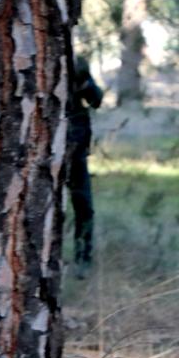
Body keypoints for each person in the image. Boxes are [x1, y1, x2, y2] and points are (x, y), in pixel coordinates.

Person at [67, 56, 104, 278]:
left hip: (76, 147)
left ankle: (82, 260)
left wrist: (83, 84)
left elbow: (96, 99)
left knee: (84, 207)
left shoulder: (77, 63)